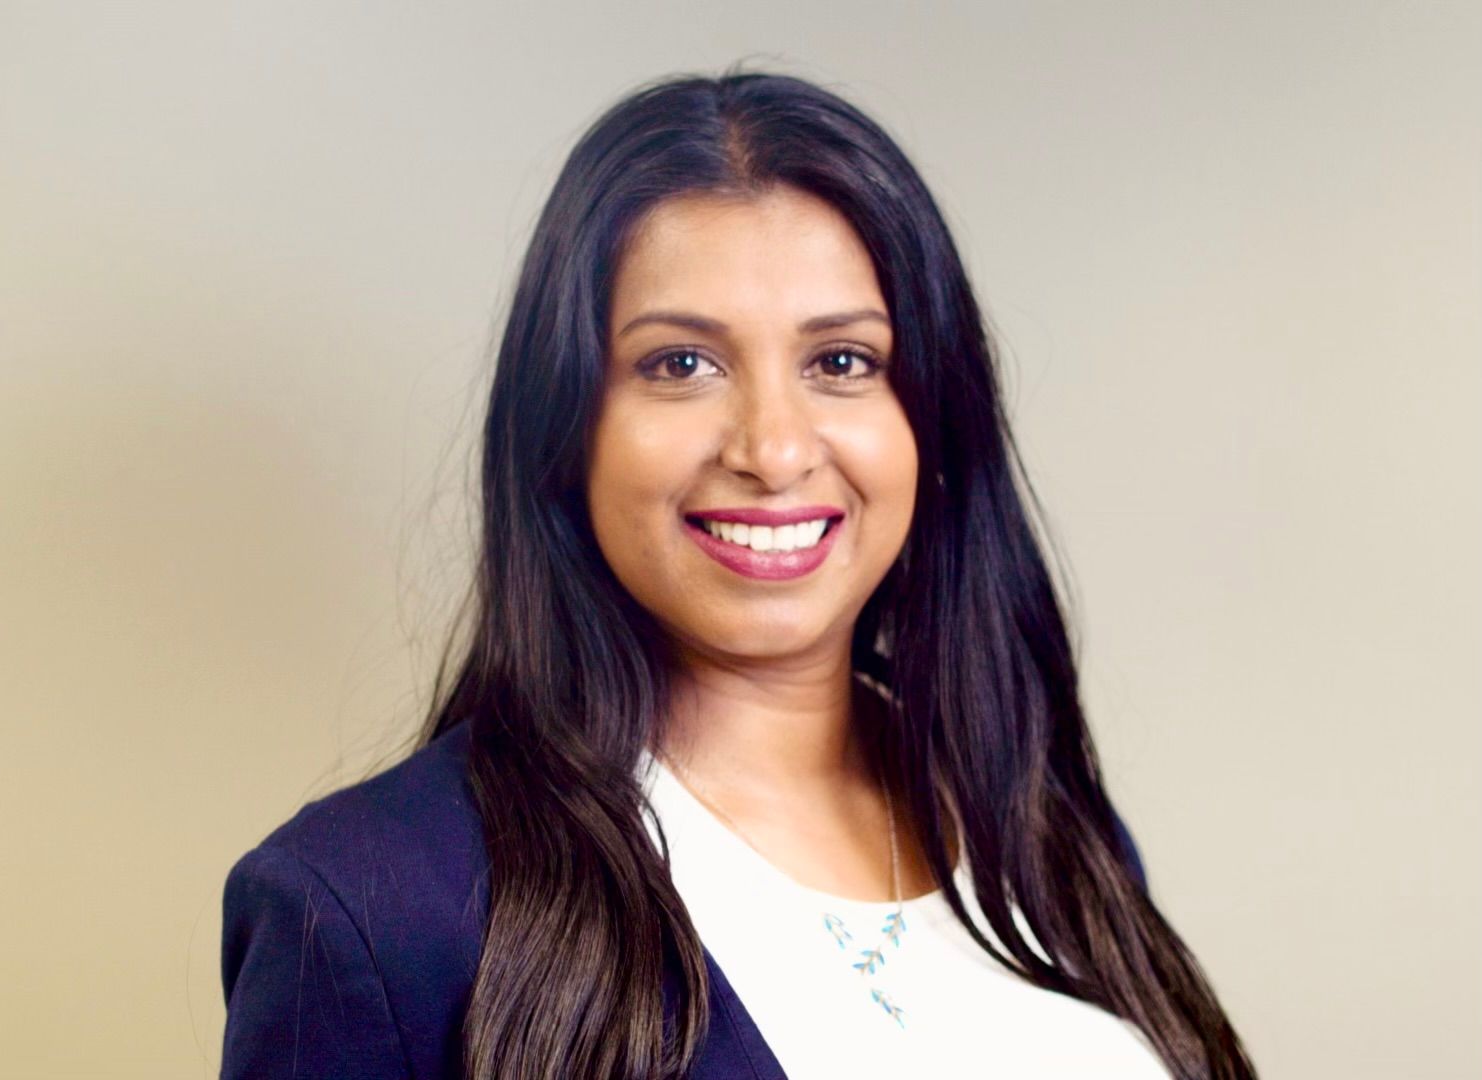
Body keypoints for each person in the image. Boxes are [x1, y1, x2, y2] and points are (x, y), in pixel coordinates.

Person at [219, 67, 1258, 1079]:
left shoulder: (1038, 821)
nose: (773, 448)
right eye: (680, 364)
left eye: (841, 362)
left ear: (932, 418)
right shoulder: (371, 908)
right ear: (567, 425)